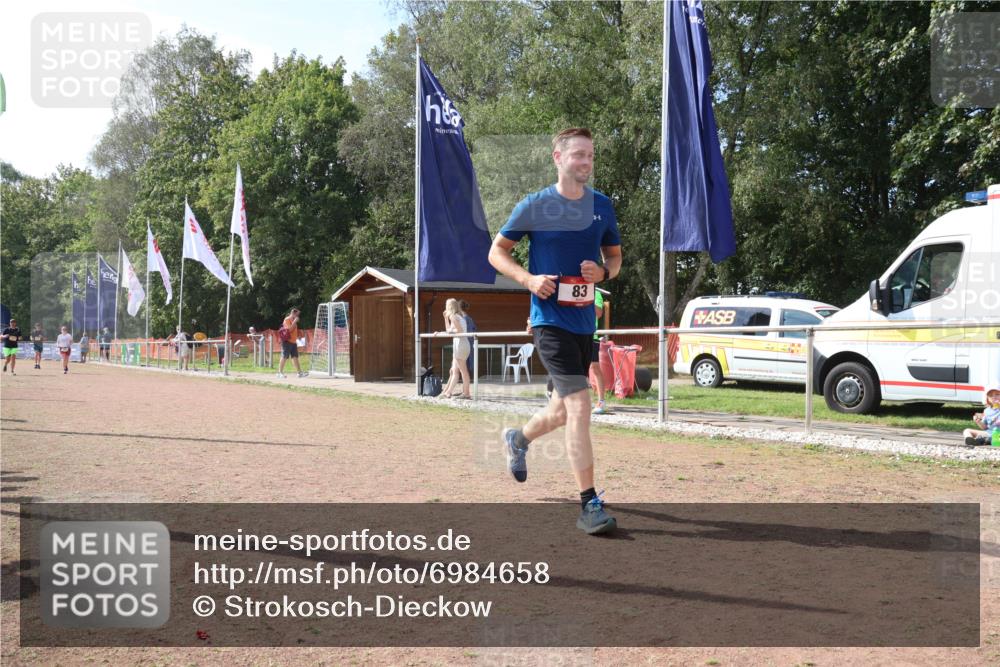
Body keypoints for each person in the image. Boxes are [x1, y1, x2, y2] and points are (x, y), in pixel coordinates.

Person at [488, 127, 622, 535]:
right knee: (580, 407)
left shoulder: (602, 207)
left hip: (584, 324)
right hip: (549, 322)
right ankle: (589, 504)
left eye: (591, 156)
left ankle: (518, 439)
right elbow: (496, 252)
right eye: (579, 154)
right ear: (558, 158)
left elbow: (615, 259)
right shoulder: (535, 205)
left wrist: (602, 273)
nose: (586, 162)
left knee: (562, 411)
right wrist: (528, 280)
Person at [440, 299, 472, 399]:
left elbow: (460, 331)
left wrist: (450, 332)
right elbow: (449, 330)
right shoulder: (457, 316)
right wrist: (445, 319)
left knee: (463, 371)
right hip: (461, 344)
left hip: (460, 344)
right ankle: (448, 392)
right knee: (454, 370)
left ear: (449, 307)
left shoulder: (454, 316)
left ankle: (466, 393)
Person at [590, 291, 608, 415]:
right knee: (575, 368)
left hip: (591, 336)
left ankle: (601, 401)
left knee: (595, 367)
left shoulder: (596, 293)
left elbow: (598, 313)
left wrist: (586, 297)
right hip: (574, 334)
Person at [277, 308, 305, 378]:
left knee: (295, 357)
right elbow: (289, 330)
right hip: (287, 341)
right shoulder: (287, 319)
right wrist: (294, 322)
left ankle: (299, 373)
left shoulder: (293, 320)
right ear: (293, 313)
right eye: (297, 314)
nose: (298, 316)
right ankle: (279, 373)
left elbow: (294, 331)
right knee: (284, 356)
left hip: (293, 342)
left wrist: (297, 336)